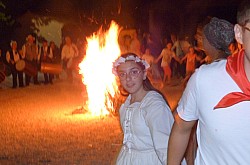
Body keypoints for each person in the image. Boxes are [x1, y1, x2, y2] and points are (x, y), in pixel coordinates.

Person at [167, 8, 250, 164]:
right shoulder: (205, 79)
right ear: (239, 34)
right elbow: (181, 128)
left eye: (201, 38)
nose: (200, 42)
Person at [112, 53, 176, 165]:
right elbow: (128, 142)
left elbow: (166, 147)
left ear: (144, 74)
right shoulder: (125, 106)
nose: (128, 78)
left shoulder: (154, 105)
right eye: (123, 74)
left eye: (134, 72)